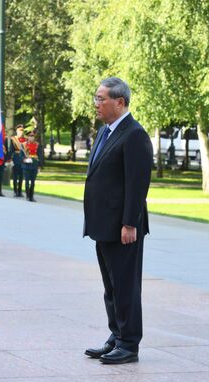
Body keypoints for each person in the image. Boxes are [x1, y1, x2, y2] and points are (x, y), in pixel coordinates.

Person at [83, 77, 153, 365]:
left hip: (123, 227)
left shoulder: (134, 134)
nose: (96, 103)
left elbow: (137, 185)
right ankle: (116, 336)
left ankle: (129, 344)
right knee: (111, 287)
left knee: (126, 286)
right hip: (103, 224)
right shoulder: (105, 132)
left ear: (120, 102)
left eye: (101, 99)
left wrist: (129, 224)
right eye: (96, 98)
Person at [21, 131, 43, 201]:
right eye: (30, 136)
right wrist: (24, 159)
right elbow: (21, 155)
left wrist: (39, 166)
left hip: (34, 165)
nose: (31, 137)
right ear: (27, 137)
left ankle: (31, 196)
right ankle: (27, 195)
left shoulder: (37, 145)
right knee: (27, 181)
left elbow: (40, 156)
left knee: (33, 182)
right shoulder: (23, 145)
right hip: (27, 165)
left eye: (33, 136)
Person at [8, 124, 26, 197]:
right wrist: (10, 159)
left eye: (22, 130)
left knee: (21, 176)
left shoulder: (25, 140)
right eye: (19, 130)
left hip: (23, 160)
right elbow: (11, 150)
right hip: (15, 158)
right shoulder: (13, 139)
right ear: (17, 131)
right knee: (15, 176)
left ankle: (20, 191)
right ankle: (15, 191)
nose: (21, 132)